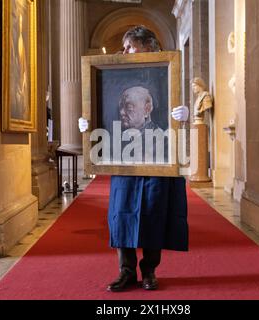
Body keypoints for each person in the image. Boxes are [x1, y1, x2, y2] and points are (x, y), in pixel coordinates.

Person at [79, 26, 190, 292]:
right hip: (124, 161)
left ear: (149, 46)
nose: (124, 51)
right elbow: (104, 112)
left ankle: (149, 271)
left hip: (159, 162)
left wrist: (184, 119)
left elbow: (178, 125)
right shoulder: (116, 73)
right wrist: (88, 125)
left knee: (153, 213)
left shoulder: (168, 70)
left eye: (130, 46)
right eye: (124, 46)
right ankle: (126, 271)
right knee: (122, 214)